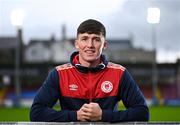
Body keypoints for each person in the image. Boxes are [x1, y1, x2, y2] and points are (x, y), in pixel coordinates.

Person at [30, 19, 149, 122]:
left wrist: (103, 115)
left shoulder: (119, 73)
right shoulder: (59, 74)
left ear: (105, 45)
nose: (90, 45)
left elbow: (143, 112)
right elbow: (36, 113)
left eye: (96, 39)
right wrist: (76, 115)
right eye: (84, 39)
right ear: (77, 44)